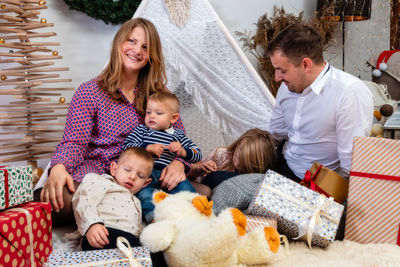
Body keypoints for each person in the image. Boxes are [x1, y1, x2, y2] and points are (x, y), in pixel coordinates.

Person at [36, 18, 189, 225]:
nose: (137, 50)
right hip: (98, 172)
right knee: (53, 200)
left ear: (152, 56)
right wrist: (59, 167)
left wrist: (179, 163)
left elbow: (179, 138)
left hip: (143, 175)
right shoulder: (89, 91)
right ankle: (124, 209)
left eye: (146, 47)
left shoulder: (160, 95)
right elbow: (74, 142)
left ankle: (125, 207)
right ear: (119, 42)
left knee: (199, 192)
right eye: (132, 41)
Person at [266, 23, 374, 182]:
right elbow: (275, 133)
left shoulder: (349, 93)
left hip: (318, 184)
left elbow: (351, 166)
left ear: (306, 65)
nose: (277, 78)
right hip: (282, 165)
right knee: (218, 178)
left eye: (282, 70)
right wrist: (234, 150)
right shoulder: (287, 87)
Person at [123, 91, 201, 223]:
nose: (152, 116)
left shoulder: (178, 135)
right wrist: (147, 147)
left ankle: (196, 216)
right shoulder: (142, 131)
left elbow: (197, 154)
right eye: (148, 112)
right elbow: (126, 147)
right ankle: (154, 221)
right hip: (146, 174)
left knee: (186, 190)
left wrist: (182, 151)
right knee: (145, 195)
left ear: (173, 118)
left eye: (158, 113)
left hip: (169, 174)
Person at [72, 147, 153, 250]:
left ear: (145, 183)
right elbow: (84, 199)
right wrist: (92, 224)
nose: (132, 177)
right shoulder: (101, 181)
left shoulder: (136, 201)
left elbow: (138, 227)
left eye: (140, 176)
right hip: (103, 233)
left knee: (152, 250)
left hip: (130, 240)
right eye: (127, 170)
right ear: (114, 169)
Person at [189, 128, 277, 195]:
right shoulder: (221, 153)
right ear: (237, 145)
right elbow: (191, 172)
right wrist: (200, 169)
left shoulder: (255, 178)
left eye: (244, 163)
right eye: (236, 156)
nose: (237, 163)